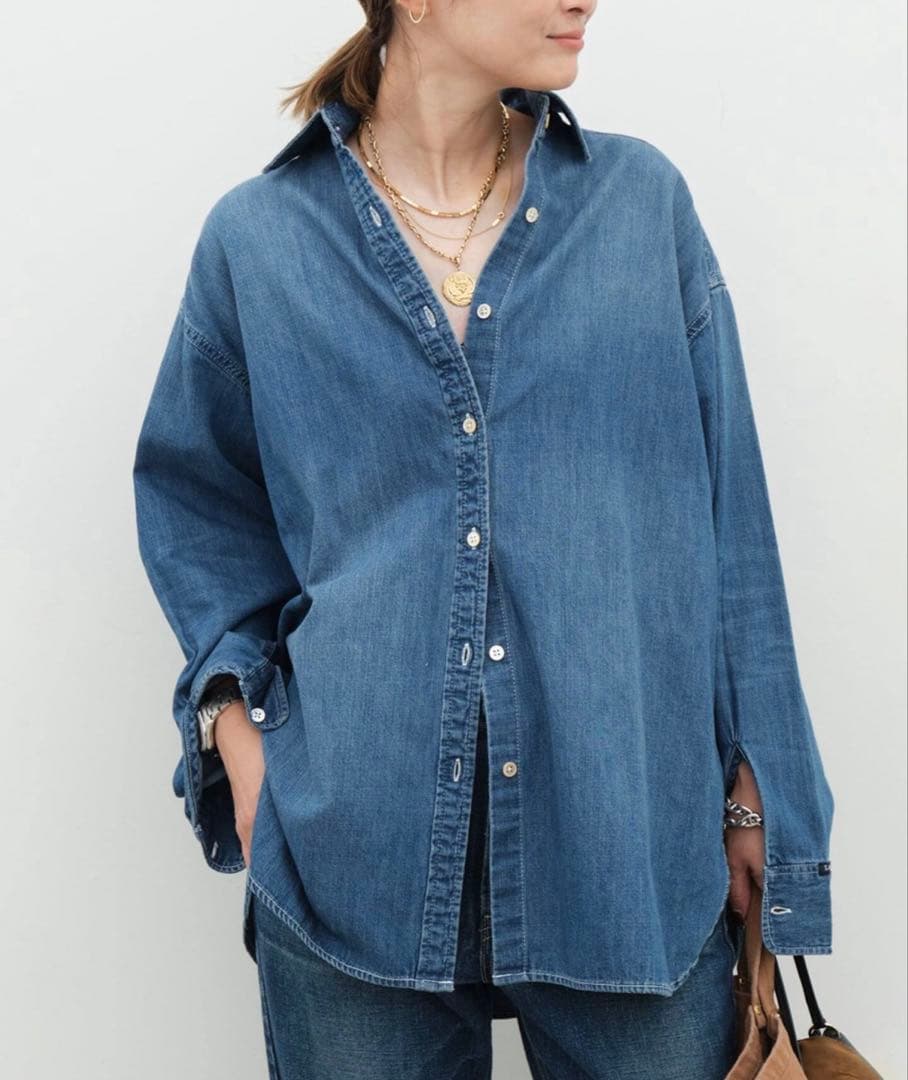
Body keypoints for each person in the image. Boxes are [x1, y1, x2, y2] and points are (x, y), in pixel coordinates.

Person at [132, 1, 836, 1076]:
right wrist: (236, 729)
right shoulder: (260, 241)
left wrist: (761, 791)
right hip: (351, 858)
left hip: (626, 844)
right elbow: (198, 506)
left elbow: (729, 521)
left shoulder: (639, 207)